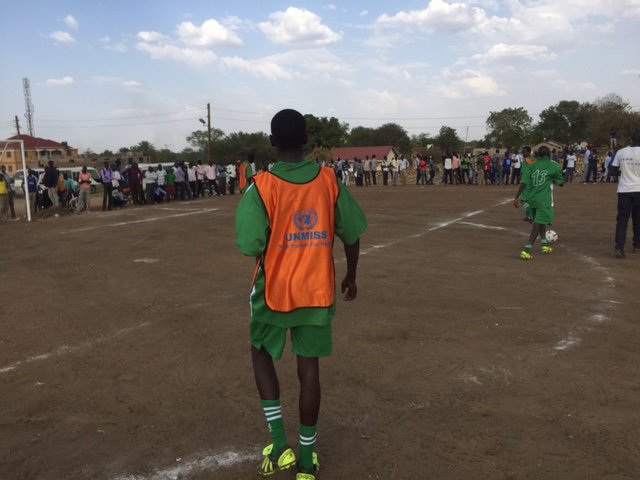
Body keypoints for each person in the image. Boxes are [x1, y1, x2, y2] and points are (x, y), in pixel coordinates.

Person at [235, 109, 366, 480]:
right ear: (306, 139)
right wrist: (351, 275)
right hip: (317, 291)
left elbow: (250, 244)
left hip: (274, 292)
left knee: (260, 353)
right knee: (309, 371)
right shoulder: (329, 180)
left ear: (272, 142)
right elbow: (351, 233)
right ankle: (307, 460)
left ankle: (280, 446)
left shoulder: (261, 186)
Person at [513, 146, 565, 260]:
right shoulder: (554, 165)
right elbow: (561, 182)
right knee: (537, 223)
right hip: (544, 199)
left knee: (540, 221)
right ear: (549, 155)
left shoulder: (531, 165)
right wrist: (555, 179)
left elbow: (523, 181)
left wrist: (517, 196)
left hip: (532, 198)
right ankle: (527, 249)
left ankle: (544, 245)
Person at [609, 129, 640, 258]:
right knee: (638, 218)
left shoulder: (621, 152)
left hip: (624, 190)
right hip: (639, 189)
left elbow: (612, 170)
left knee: (622, 219)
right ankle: (637, 245)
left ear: (631, 140)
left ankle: (619, 247)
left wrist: (623, 173)